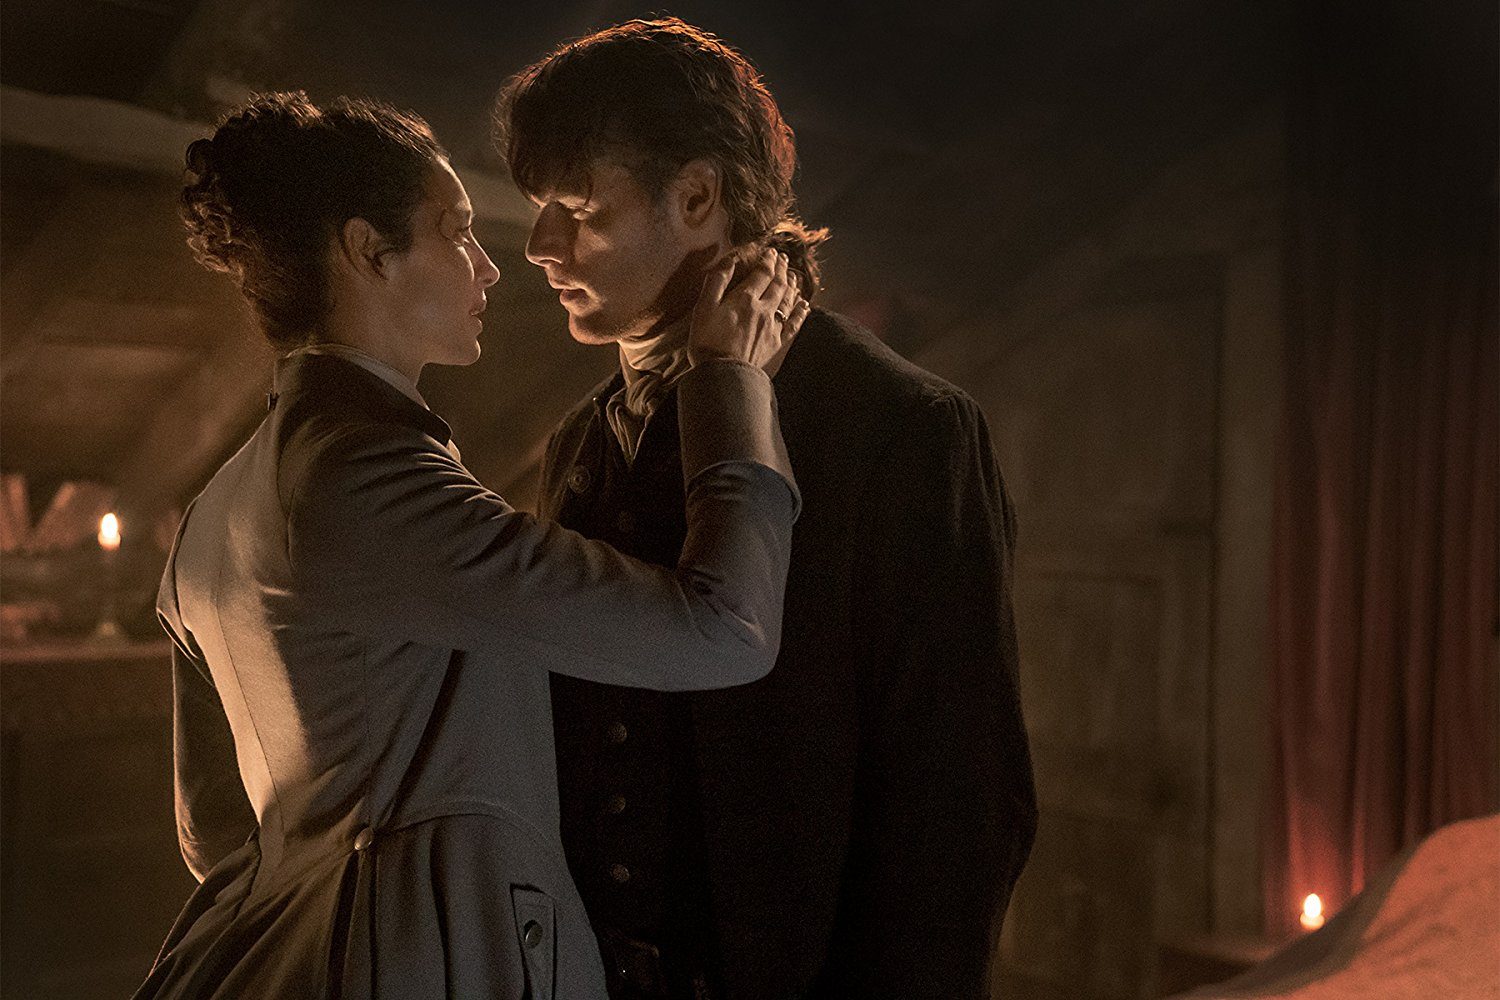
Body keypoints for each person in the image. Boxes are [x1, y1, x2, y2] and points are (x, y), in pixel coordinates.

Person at [134, 91, 805, 1000]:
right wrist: (728, 380)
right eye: (455, 231)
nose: (490, 265)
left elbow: (215, 829)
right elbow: (722, 630)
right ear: (368, 251)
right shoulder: (371, 485)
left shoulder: (219, 505)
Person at [498, 18, 1038, 1000]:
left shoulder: (901, 426)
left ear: (698, 197)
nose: (540, 246)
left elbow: (956, 807)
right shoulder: (581, 437)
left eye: (578, 208)